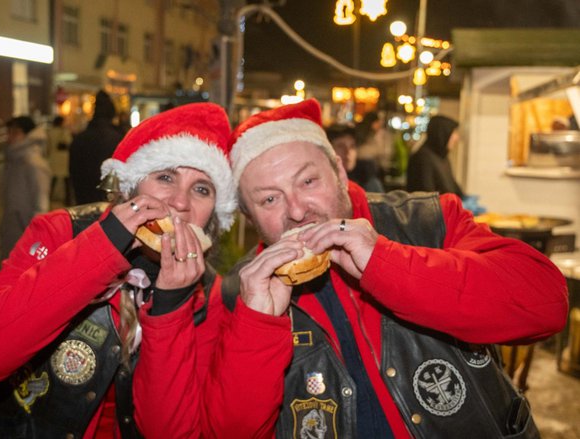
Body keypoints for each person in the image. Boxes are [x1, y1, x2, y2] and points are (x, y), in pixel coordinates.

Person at [195, 99, 566, 438]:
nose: (296, 210)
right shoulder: (237, 292)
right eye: (269, 199)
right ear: (248, 215)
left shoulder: (426, 220)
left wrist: (383, 262)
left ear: (339, 172)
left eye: (308, 181)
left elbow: (547, 304)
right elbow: (232, 431)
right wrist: (257, 323)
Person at [0, 102, 236, 438]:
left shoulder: (209, 293)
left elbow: (168, 431)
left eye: (202, 189)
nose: (180, 202)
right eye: (165, 177)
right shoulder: (62, 232)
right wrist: (102, 250)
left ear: (213, 215)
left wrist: (171, 307)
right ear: (132, 187)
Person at [0, 116, 52, 262]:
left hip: (25, 232)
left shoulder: (33, 162)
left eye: (15, 132)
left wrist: (35, 236)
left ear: (27, 135)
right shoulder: (13, 159)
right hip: (12, 227)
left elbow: (41, 203)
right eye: (8, 132)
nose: (9, 137)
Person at [70, 90, 124, 204]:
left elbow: (74, 174)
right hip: (109, 203)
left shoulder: (80, 138)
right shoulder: (118, 138)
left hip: (84, 200)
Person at [406, 115, 464, 197]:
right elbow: (426, 197)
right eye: (454, 133)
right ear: (442, 133)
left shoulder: (442, 156)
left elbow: (453, 187)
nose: (456, 138)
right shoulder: (422, 158)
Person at [326, 123, 384, 192]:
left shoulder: (369, 183)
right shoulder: (321, 182)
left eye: (352, 146)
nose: (348, 152)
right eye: (340, 146)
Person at [46, 115, 73, 203]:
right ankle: (68, 199)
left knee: (54, 179)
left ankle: (49, 197)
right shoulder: (64, 132)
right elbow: (69, 142)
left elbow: (48, 147)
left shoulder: (50, 132)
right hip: (64, 158)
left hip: (53, 158)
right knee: (66, 180)